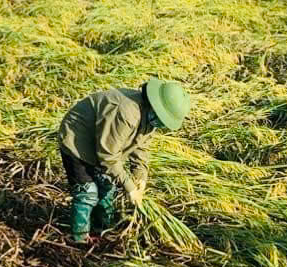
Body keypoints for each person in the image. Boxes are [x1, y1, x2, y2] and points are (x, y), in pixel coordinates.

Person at [58, 79, 191, 245]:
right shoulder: (126, 112)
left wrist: (140, 177)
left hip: (103, 145)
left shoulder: (150, 119)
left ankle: (103, 231)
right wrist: (129, 187)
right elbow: (107, 155)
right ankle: (79, 239)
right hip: (78, 140)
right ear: (154, 105)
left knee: (107, 187)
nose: (159, 125)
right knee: (88, 193)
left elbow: (141, 148)